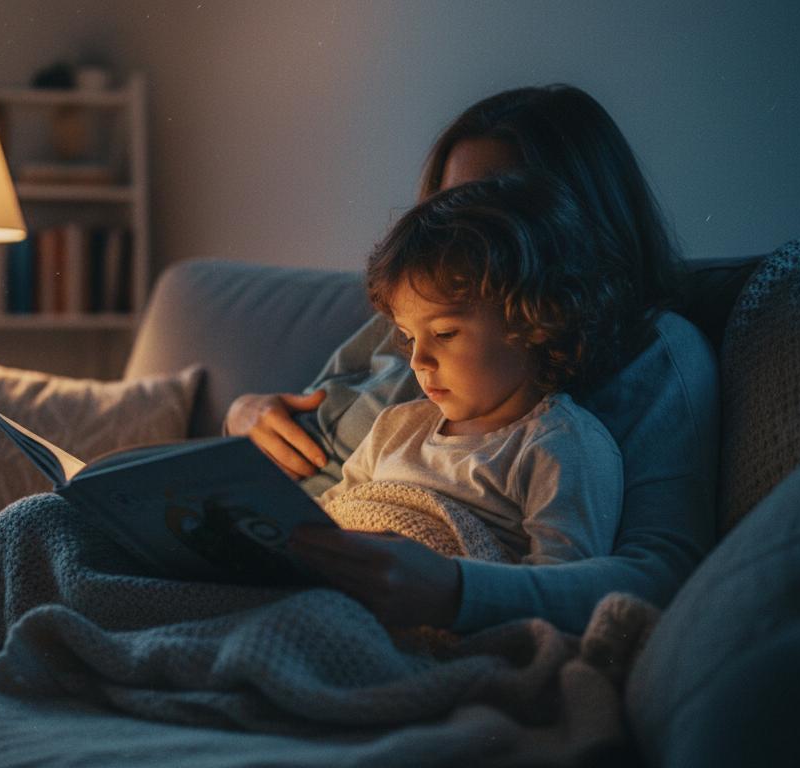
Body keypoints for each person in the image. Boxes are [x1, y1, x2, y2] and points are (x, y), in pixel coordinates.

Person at [228, 84, 719, 633]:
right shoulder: (405, 323)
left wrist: (452, 590)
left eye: (497, 206)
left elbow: (656, 572)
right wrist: (245, 414)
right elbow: (310, 415)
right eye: (449, 204)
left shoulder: (648, 357)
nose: (464, 233)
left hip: (378, 581)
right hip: (274, 525)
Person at [309, 172, 630, 629]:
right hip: (338, 601)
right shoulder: (396, 427)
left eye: (444, 334)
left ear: (535, 321)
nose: (418, 359)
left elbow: (560, 585)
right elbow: (331, 515)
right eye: (407, 336)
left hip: (429, 625)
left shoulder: (559, 445)